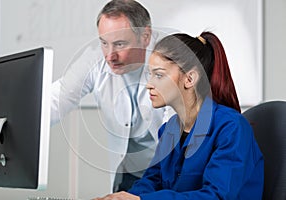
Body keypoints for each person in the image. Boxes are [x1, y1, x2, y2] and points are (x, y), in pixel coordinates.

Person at [94, 32, 264, 199]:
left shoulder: (231, 128)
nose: (149, 85)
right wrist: (125, 197)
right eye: (150, 75)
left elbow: (216, 196)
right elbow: (152, 181)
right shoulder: (169, 130)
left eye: (159, 75)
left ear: (189, 79)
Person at [51, 0, 173, 192]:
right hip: (130, 173)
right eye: (104, 43)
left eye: (120, 44)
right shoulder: (94, 60)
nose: (110, 55)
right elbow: (55, 100)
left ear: (146, 36)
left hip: (171, 171)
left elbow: (176, 130)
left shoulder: (171, 59)